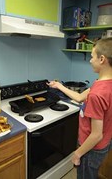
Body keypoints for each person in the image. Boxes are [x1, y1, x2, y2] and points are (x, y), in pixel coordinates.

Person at [47, 37, 112, 179]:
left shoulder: (97, 94)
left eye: (92, 57)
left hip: (91, 149)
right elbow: (79, 97)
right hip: (104, 144)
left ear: (102, 59)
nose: (90, 60)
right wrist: (58, 85)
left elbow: (96, 135)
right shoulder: (103, 83)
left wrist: (77, 153)